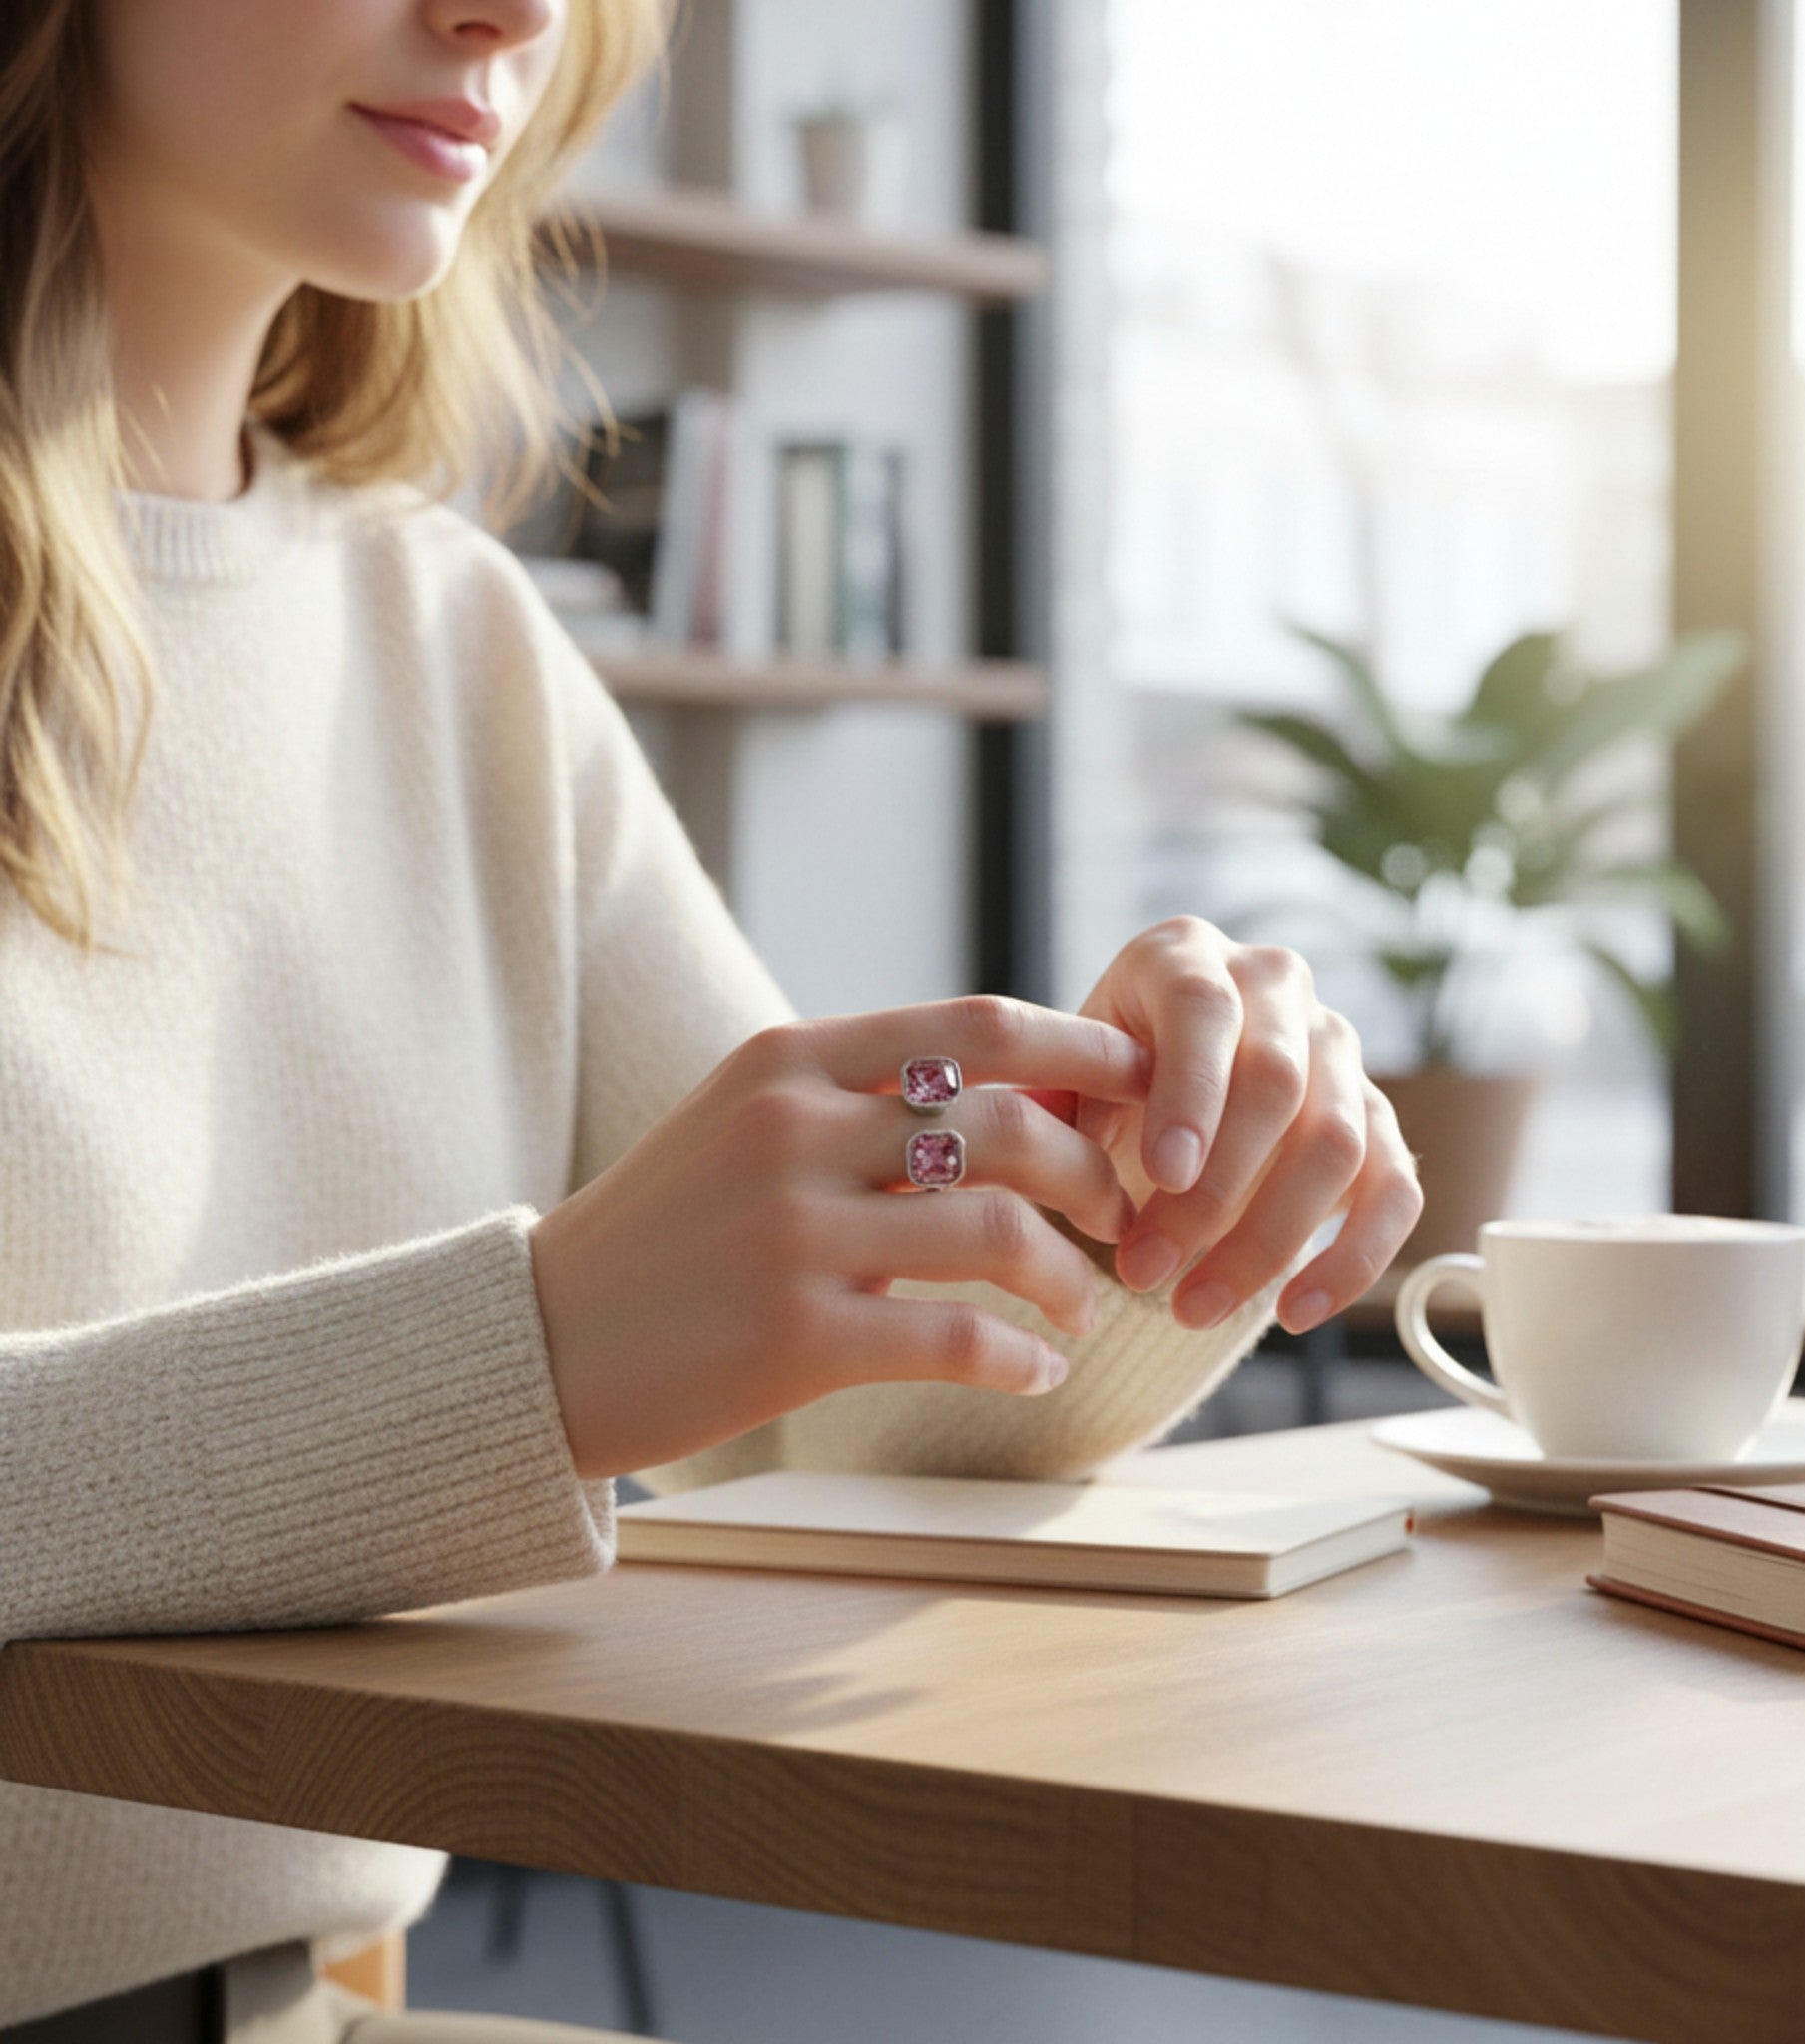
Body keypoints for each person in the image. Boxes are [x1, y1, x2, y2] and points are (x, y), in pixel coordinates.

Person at [0, 0, 1422, 2035]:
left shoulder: (451, 641)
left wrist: (1145, 1186)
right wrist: (538, 1346)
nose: (511, 11)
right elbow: (601, 1331)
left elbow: (856, 1417)